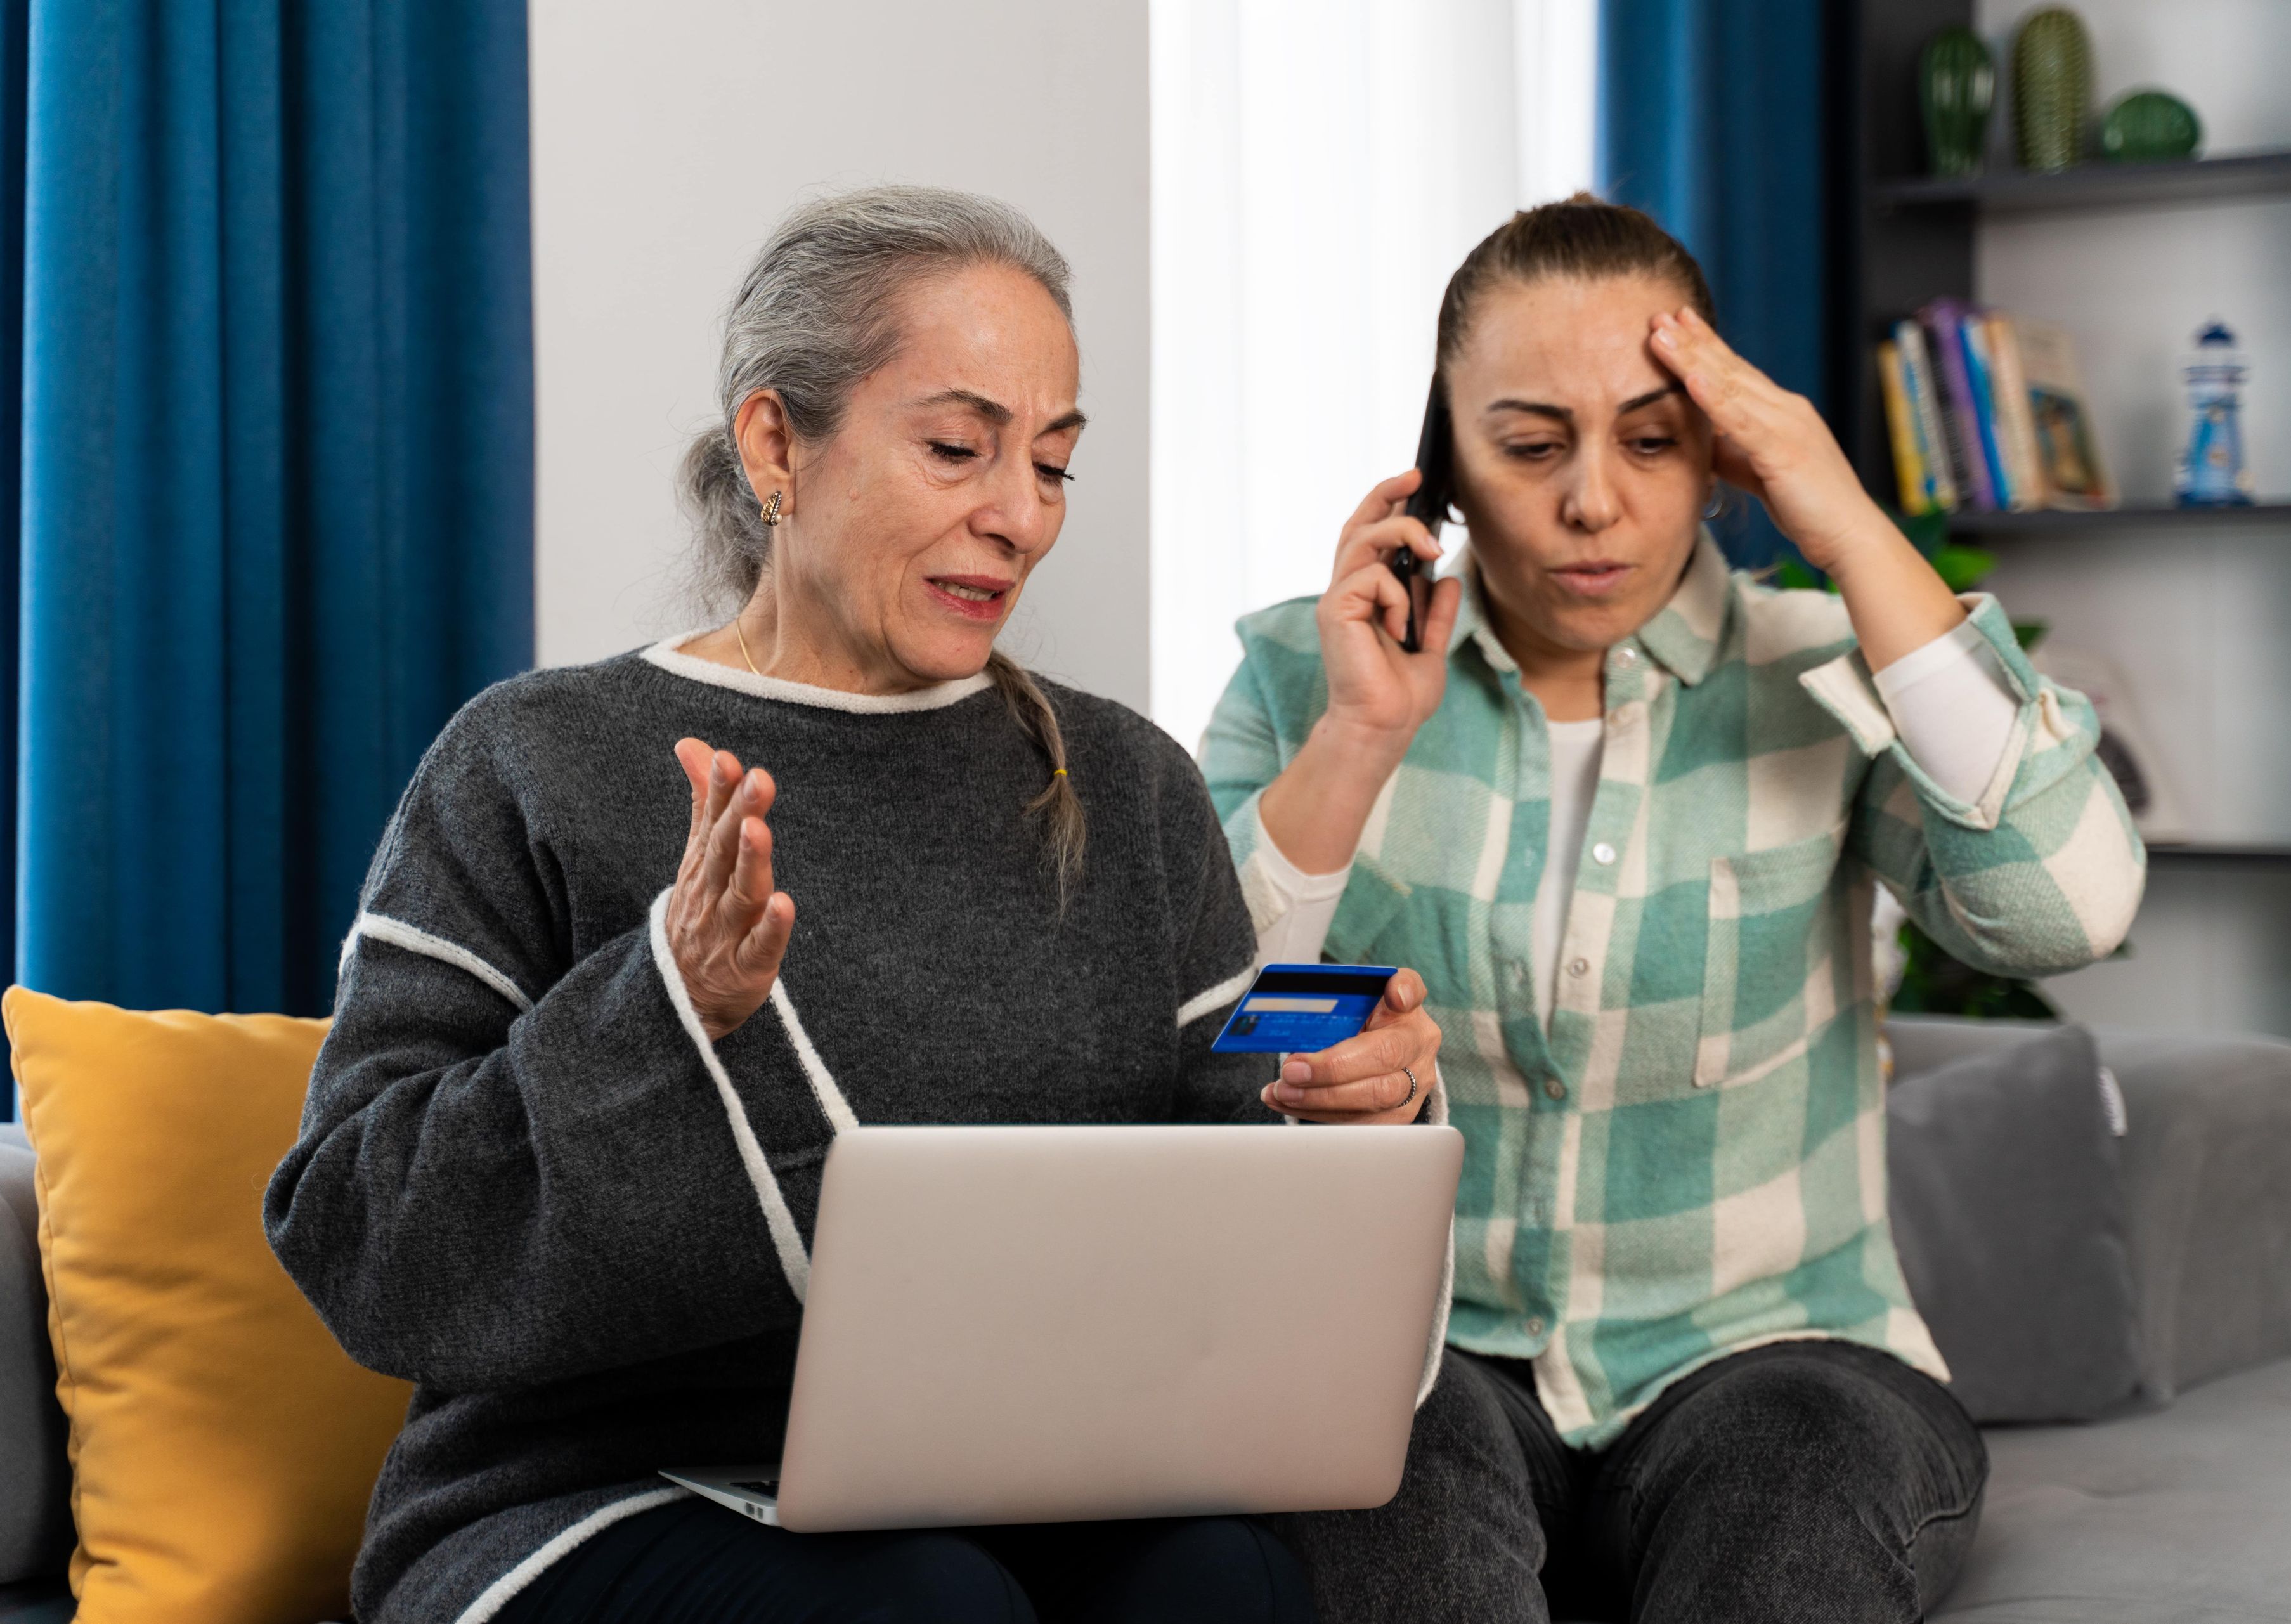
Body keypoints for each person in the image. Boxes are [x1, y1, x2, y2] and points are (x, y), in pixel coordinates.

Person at [264, 186, 1446, 1624]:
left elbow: (1226, 1191)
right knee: (923, 1609)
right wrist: (661, 1011)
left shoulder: (1123, 784)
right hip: (586, 1496)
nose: (1019, 516)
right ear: (776, 444)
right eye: (958, 448)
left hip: (1030, 1486)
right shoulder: (532, 759)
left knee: (1226, 1580)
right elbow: (357, 1235)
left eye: (1056, 465)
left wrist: (1354, 1114)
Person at [1200, 195, 2145, 1623]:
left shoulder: (1832, 670)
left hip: (1781, 1354)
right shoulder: (1304, 677)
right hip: (1428, 1347)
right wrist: (1354, 746)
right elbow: (1190, 1046)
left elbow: (2072, 906)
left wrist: (1844, 522)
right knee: (1385, 1465)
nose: (1594, 500)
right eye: (1529, 445)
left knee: (1791, 1475)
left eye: (1652, 440)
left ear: (1719, 455)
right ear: (1441, 464)